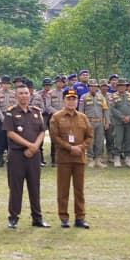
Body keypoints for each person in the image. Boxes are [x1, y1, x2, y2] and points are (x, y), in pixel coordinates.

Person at [5, 86, 48, 228]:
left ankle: (37, 218)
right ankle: (13, 217)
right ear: (15, 96)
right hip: (17, 154)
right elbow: (10, 133)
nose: (24, 96)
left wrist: (35, 146)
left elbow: (42, 131)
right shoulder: (11, 112)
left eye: (26, 93)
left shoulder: (36, 112)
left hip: (34, 155)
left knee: (35, 186)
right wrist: (29, 145)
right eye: (21, 93)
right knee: (16, 187)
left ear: (30, 95)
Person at [50, 89, 92, 229]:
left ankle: (80, 218)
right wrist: (70, 147)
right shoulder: (57, 117)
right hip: (64, 158)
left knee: (79, 190)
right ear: (64, 100)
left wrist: (81, 147)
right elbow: (55, 137)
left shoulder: (83, 117)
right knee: (63, 189)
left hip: (79, 158)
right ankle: (64, 218)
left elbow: (89, 136)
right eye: (68, 99)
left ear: (77, 101)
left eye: (74, 99)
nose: (71, 102)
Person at [109, 80, 130, 168]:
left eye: (123, 86)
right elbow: (112, 109)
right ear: (117, 87)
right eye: (119, 86)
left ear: (126, 87)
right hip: (118, 122)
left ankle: (128, 159)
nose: (121, 87)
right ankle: (117, 159)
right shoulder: (112, 97)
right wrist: (122, 117)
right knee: (118, 140)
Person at [79, 81, 108, 168]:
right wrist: (82, 123)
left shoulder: (101, 97)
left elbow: (105, 110)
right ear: (88, 87)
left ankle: (98, 159)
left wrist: (107, 121)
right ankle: (90, 159)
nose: (93, 88)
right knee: (90, 141)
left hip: (100, 122)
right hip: (89, 122)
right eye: (91, 86)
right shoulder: (84, 97)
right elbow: (81, 111)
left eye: (95, 86)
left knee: (99, 141)